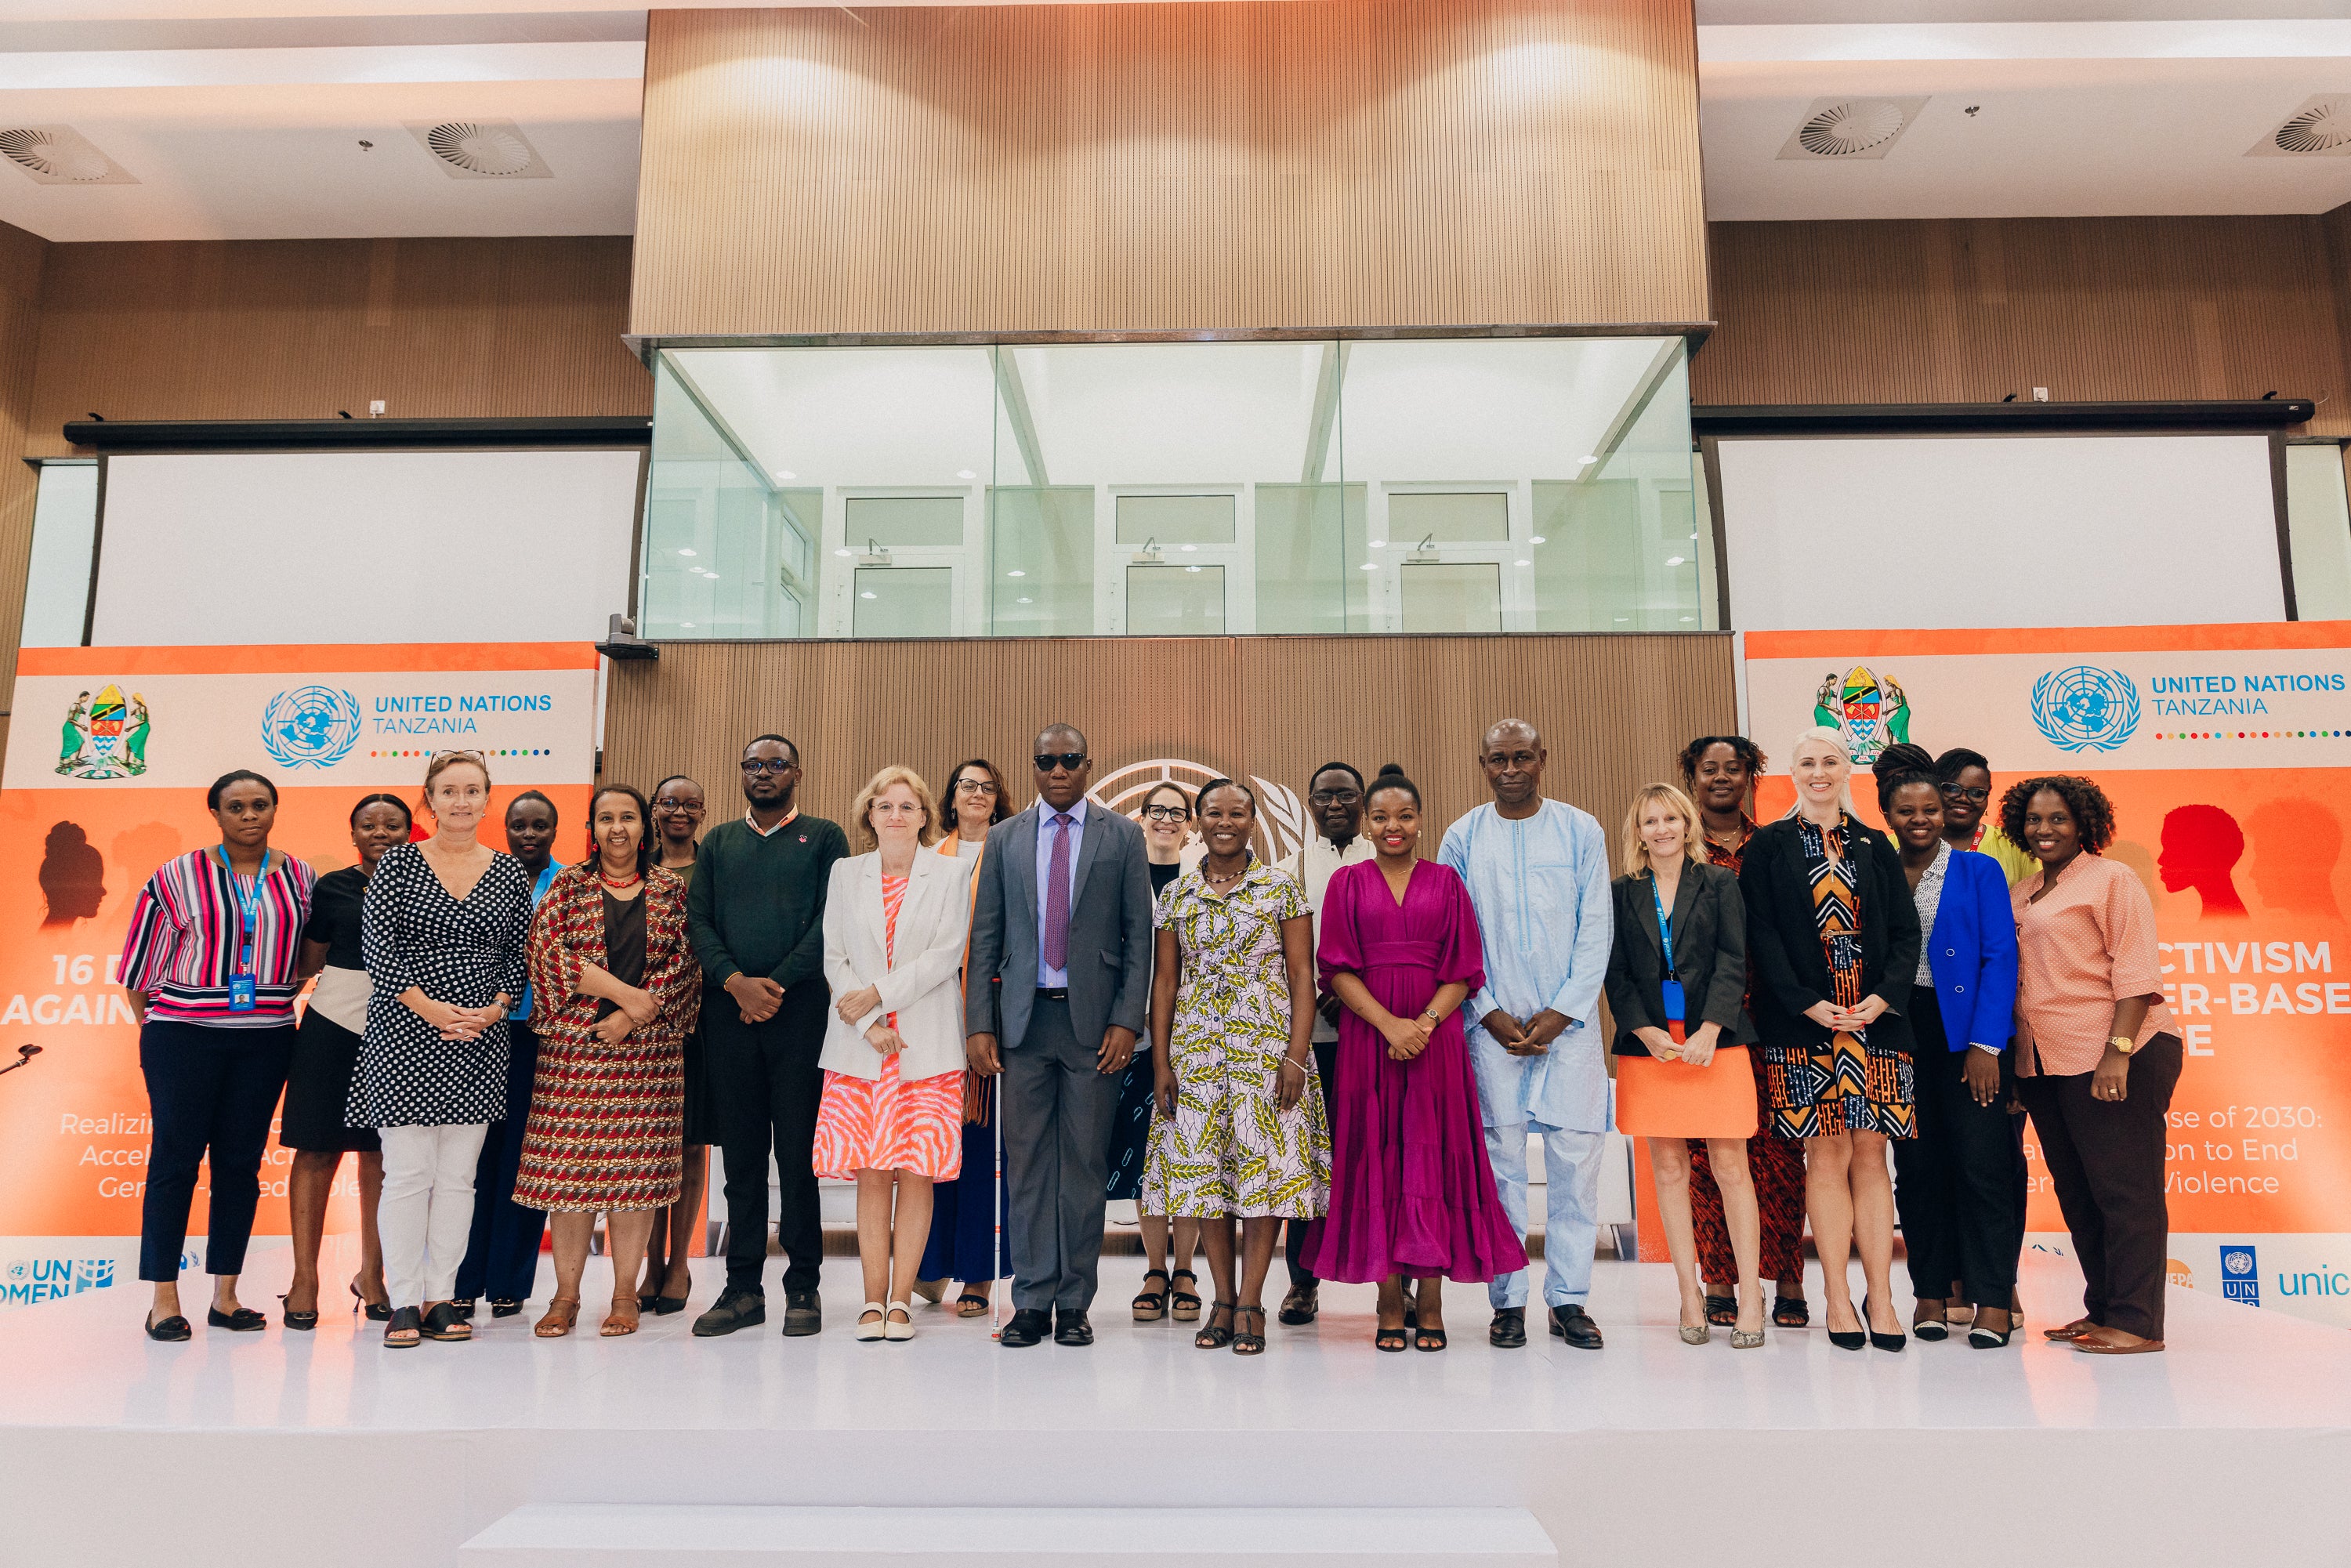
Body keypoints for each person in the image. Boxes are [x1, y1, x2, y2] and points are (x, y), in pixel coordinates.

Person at [1306, 766, 1523, 1352]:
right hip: (1368, 1042)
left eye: (1404, 816)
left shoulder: (1448, 881)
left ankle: (1430, 1301)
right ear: (1367, 823)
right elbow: (1336, 968)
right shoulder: (1347, 883)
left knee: (1429, 1163)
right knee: (1376, 1161)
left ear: (1421, 821)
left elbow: (1465, 970)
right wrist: (1388, 1024)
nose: (1392, 826)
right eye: (1381, 817)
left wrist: (1422, 1023)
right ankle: (1386, 1298)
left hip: (1435, 1043)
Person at [965, 724, 1154, 1349]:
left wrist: (1128, 1020)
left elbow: (1138, 939)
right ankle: (1030, 1299)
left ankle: (1074, 1302)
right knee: (1026, 1168)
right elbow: (985, 937)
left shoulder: (1122, 836)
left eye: (1070, 759)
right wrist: (980, 1024)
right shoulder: (1005, 837)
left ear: (1088, 763)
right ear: (1036, 766)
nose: (1059, 769)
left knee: (1082, 1167)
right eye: (1047, 760)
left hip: (1093, 1028)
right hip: (1022, 1024)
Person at [118, 771, 317, 1341]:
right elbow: (137, 971)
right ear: (216, 813)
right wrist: (164, 1029)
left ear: (276, 808)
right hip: (185, 1038)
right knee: (175, 1162)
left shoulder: (302, 876)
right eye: (236, 806)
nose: (249, 815)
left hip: (266, 1039)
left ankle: (226, 1296)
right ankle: (163, 1300)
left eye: (260, 804)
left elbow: (305, 959)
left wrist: (264, 1002)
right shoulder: (177, 875)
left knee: (240, 1166)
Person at [1739, 726, 1919, 1353]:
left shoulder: (1875, 844)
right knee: (1826, 1154)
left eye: (1831, 761)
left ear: (1849, 769)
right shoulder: (1769, 845)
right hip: (1801, 1024)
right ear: (1791, 772)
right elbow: (1760, 935)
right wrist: (1807, 1003)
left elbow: (1904, 930)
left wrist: (1884, 995)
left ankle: (1883, 1297)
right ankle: (1837, 1297)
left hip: (1877, 1024)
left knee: (1872, 1154)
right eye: (1808, 762)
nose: (1820, 771)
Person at [1438, 719, 1612, 1351]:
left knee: (1575, 1164)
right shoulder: (1463, 835)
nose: (1510, 768)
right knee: (1501, 1166)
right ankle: (1506, 1299)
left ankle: (1569, 1299)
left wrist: (1563, 1011)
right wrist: (1486, 1010)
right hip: (1492, 1026)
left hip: (1569, 1028)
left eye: (1521, 757)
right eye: (1497, 759)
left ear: (1543, 758)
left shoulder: (1580, 828)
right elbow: (1452, 933)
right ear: (1482, 764)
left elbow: (1597, 928)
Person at [351, 751, 534, 1348]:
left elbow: (517, 954)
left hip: (480, 1036)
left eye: (472, 790)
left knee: (459, 1177)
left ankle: (440, 1298)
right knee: (407, 1174)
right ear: (429, 799)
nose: (461, 801)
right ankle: (402, 1298)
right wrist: (430, 1008)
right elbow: (378, 948)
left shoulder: (508, 872)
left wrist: (496, 1006)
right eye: (448, 790)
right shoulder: (399, 865)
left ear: (488, 799)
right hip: (406, 1030)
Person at [1142, 780, 1325, 1356]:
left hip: (1268, 1056)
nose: (1226, 821)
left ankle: (1251, 1300)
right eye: (1215, 812)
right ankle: (1221, 1301)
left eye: (1238, 812)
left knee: (1267, 1178)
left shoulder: (1282, 888)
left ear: (1252, 820)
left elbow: (1303, 977)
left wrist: (1296, 1056)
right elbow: (1165, 982)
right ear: (1198, 820)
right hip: (1195, 1057)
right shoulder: (1178, 896)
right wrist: (1161, 1062)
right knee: (1207, 1181)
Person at [2005, 775, 2183, 1356]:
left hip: (2114, 1051)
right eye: (2034, 819)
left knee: (2125, 1190)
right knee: (2080, 1191)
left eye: (2058, 818)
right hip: (2046, 1061)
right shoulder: (2023, 889)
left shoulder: (2112, 879)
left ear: (2084, 822)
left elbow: (2137, 971)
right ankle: (2103, 1307)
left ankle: (2137, 1322)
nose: (2045, 829)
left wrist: (2118, 1053)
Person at [516, 785, 701, 1338]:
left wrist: (631, 1017)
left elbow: (687, 961)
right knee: (568, 1180)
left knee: (636, 1179)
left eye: (627, 818)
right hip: (574, 1051)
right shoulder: (568, 886)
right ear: (591, 828)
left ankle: (625, 1293)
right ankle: (566, 1294)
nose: (617, 828)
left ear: (644, 827)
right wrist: (624, 993)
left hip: (647, 1055)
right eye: (605, 818)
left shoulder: (671, 889)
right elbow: (547, 953)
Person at [687, 735, 849, 1338]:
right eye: (753, 764)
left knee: (799, 1156)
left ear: (797, 774)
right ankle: (742, 1287)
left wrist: (772, 985)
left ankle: (803, 1284)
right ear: (742, 774)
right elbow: (698, 920)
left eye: (776, 764)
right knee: (744, 1158)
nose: (763, 772)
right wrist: (734, 982)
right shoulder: (721, 843)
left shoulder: (825, 837)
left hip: (800, 1014)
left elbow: (831, 922)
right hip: (728, 1017)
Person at [813, 767, 974, 1342]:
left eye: (908, 806)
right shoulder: (844, 872)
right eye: (885, 806)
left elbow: (944, 954)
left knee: (917, 1171)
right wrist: (869, 1022)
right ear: (870, 815)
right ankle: (870, 1300)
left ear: (927, 815)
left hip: (924, 1043)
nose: (897, 815)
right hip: (860, 1045)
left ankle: (902, 1300)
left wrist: (879, 997)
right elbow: (833, 955)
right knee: (872, 1174)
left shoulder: (953, 873)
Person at [1605, 782, 1765, 1349]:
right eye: (1651, 821)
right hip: (1652, 1048)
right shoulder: (1623, 892)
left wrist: (1712, 1029)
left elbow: (1733, 958)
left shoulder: (1719, 882)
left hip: (1714, 1042)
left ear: (1687, 824)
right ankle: (1688, 1293)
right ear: (1639, 832)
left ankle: (1749, 1298)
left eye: (1672, 817)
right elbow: (1616, 971)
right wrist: (1643, 1030)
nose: (1663, 828)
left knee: (1730, 1168)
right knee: (1669, 1171)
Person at [1875, 746, 2023, 1347]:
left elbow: (2000, 956)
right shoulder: (1875, 870)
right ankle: (1930, 1294)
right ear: (1888, 815)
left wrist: (1986, 1043)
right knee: (1916, 1169)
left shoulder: (1977, 870)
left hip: (1967, 1037)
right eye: (1907, 809)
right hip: (1897, 1032)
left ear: (1945, 812)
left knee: (1983, 1166)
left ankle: (1992, 1297)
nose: (1920, 818)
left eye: (1931, 808)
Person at [1675, 736, 1808, 1331]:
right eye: (1710, 770)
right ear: (1692, 778)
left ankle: (1787, 1277)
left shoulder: (1776, 844)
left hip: (1777, 1022)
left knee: (1781, 1153)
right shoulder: (1677, 847)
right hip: (1707, 1028)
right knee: (1707, 1157)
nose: (1722, 777)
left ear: (1754, 775)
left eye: (1735, 768)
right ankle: (1720, 1278)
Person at [281, 792, 410, 1327]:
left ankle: (373, 1273)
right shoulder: (331, 887)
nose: (381, 831)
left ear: (410, 832)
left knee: (383, 1155)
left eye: (393, 824)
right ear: (353, 833)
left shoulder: (427, 885)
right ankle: (304, 1280)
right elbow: (307, 963)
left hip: (401, 1024)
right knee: (315, 1148)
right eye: (369, 824)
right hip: (332, 1024)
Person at [1270, 762, 1375, 1328]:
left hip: (1375, 1032)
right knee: (1304, 1160)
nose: (1335, 804)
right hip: (1311, 1038)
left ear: (1362, 800)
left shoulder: (1385, 861)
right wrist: (1316, 992)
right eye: (1324, 795)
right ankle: (1302, 1283)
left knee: (1379, 1157)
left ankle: (1396, 1283)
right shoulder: (1286, 871)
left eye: (1346, 795)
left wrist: (1356, 990)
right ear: (1307, 803)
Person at [451, 791, 561, 1318]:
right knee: (474, 1156)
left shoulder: (571, 882)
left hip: (544, 1035)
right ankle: (462, 1276)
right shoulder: (484, 875)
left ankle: (510, 1282)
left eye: (540, 825)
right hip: (482, 1031)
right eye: (520, 825)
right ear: (507, 830)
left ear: (555, 831)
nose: (529, 834)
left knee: (526, 1157)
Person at [916, 758, 1014, 1318]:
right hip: (935, 1013)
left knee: (983, 1149)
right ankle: (930, 1266)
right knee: (933, 1145)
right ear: (950, 799)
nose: (976, 794)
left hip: (994, 1016)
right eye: (966, 786)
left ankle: (977, 1271)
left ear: (999, 798)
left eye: (987, 786)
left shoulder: (1013, 856)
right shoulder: (929, 861)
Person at [1124, 780, 1203, 1326]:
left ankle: (1186, 1268)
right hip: (1135, 1035)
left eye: (1177, 813)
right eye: (1158, 811)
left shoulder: (1205, 876)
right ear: (1142, 816)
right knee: (1147, 1155)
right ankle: (1155, 1267)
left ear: (1190, 823)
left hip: (1196, 1034)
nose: (1167, 820)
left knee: (1191, 1149)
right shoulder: (1121, 873)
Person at [637, 774, 711, 1315]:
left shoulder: (717, 865)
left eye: (689, 804)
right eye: (668, 802)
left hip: (704, 1021)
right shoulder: (631, 872)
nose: (678, 811)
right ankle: (650, 1264)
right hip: (641, 1020)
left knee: (689, 1142)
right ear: (653, 812)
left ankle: (679, 1262)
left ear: (703, 812)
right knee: (645, 1144)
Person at [1934, 747, 2037, 885]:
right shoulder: (1903, 843)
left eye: (1977, 793)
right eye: (1952, 789)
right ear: (1933, 789)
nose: (1964, 799)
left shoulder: (2015, 845)